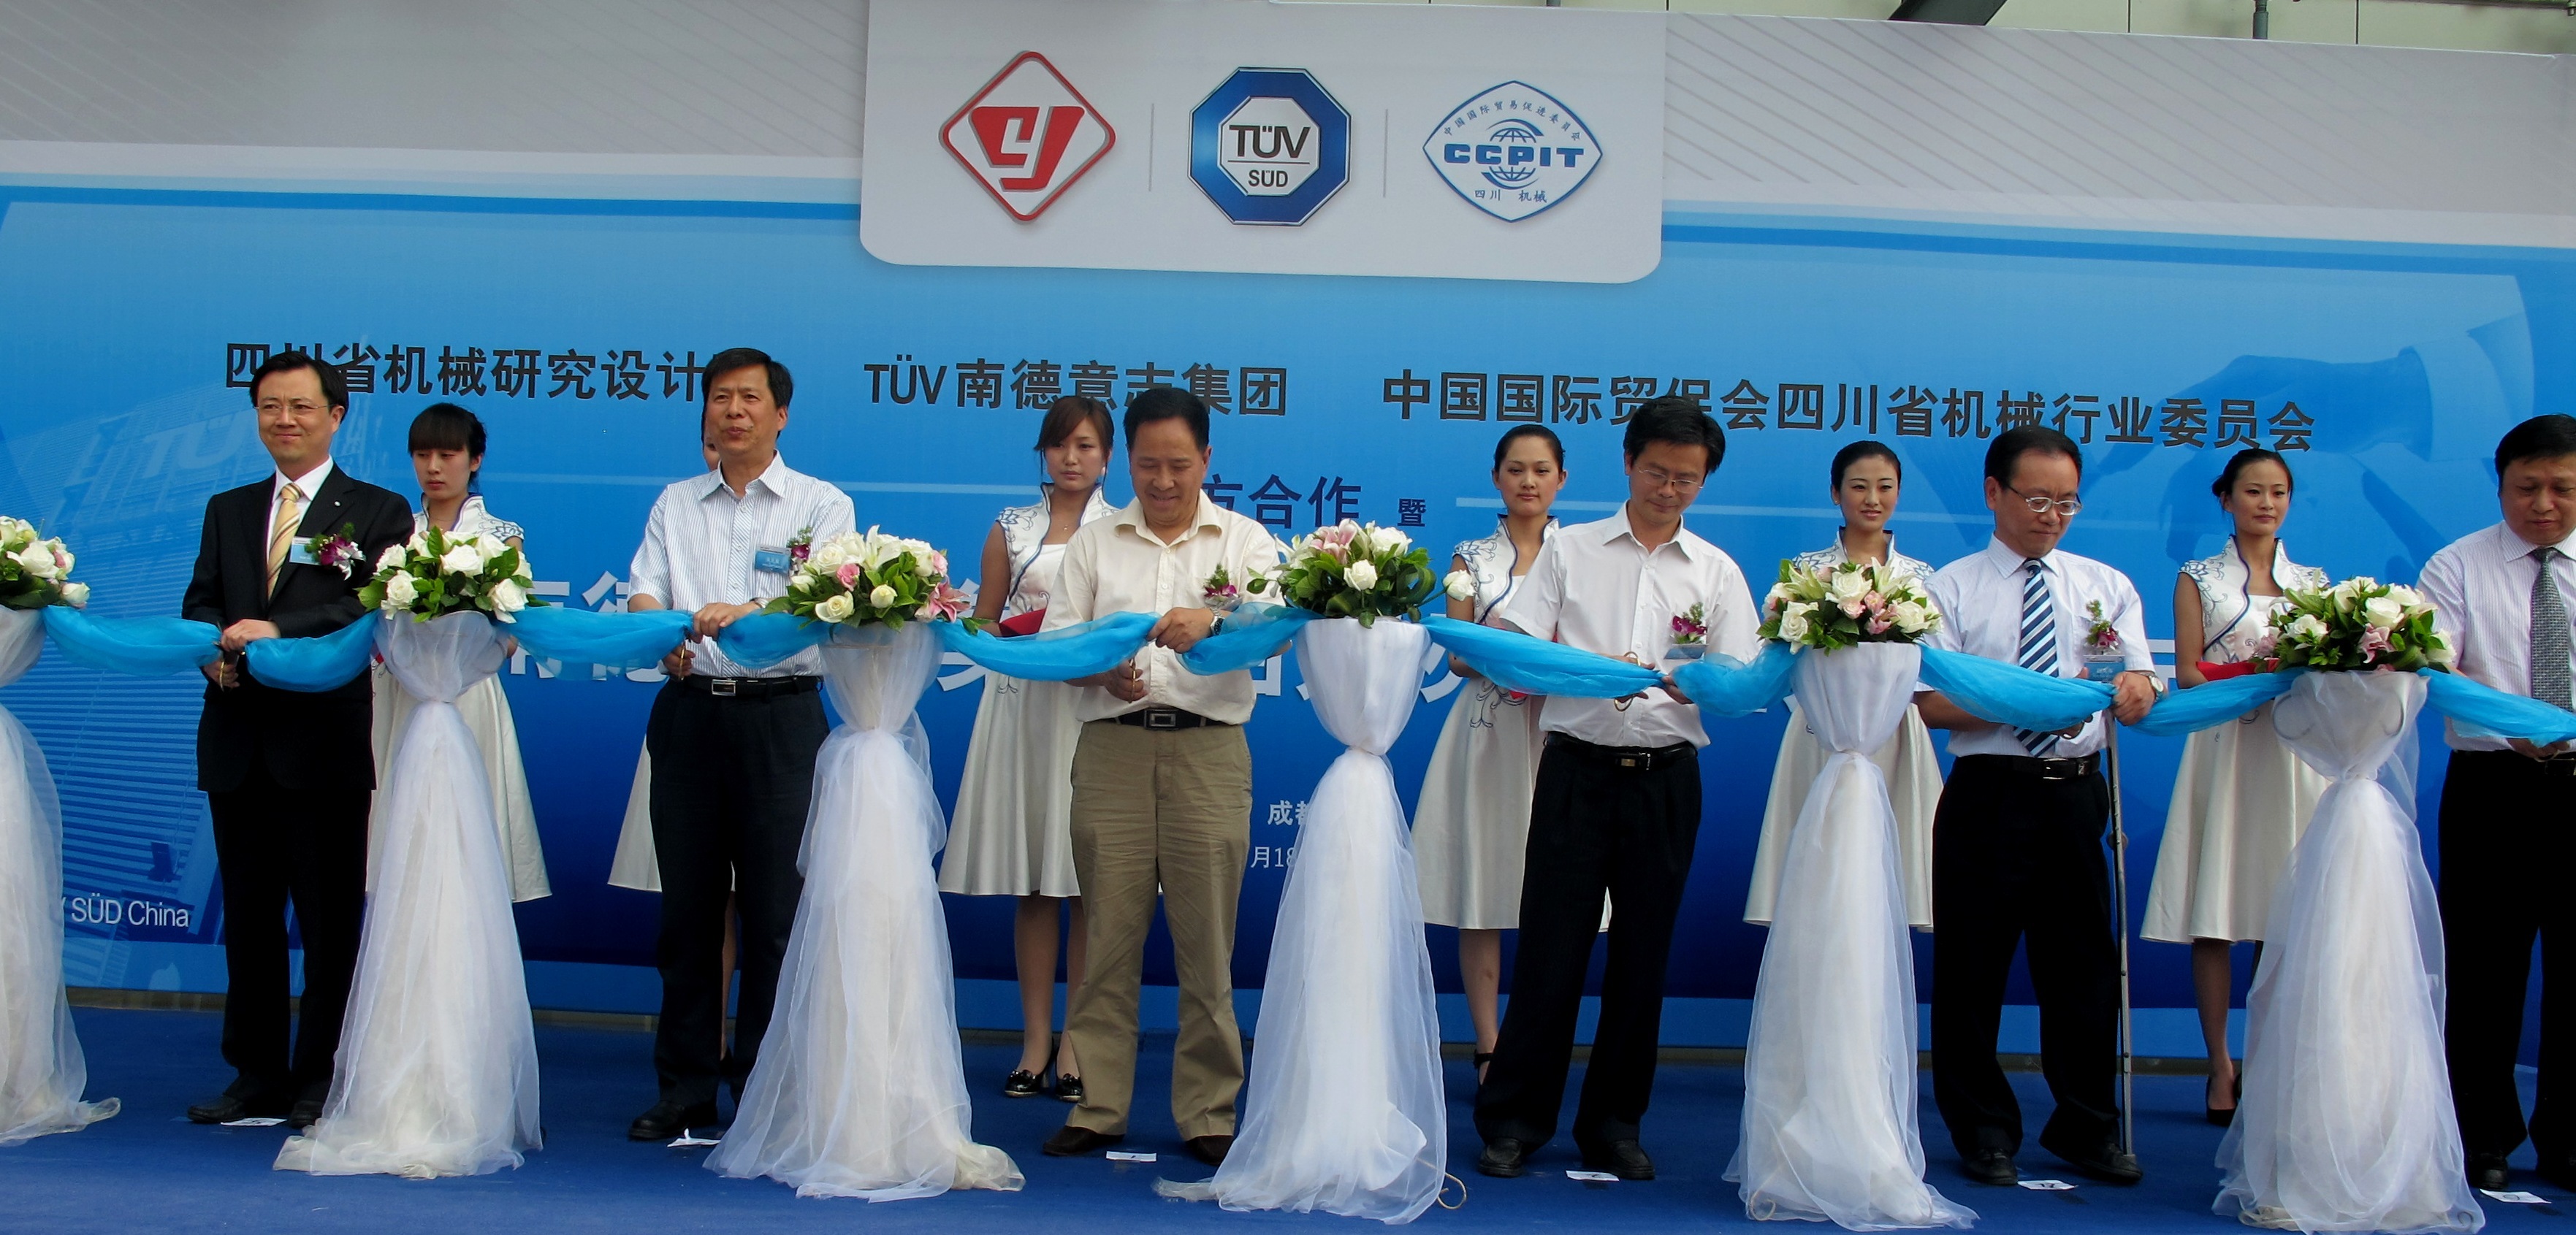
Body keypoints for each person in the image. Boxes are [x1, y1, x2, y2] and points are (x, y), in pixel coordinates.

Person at [1473, 397, 1758, 1182]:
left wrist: (1700, 681)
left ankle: (1614, 1125)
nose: (1669, 489)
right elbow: (1520, 645)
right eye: (1657, 472)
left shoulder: (1716, 571)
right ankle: (1514, 1121)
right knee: (1551, 952)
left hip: (1666, 779)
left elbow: (1740, 680)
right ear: (1628, 463)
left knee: (1641, 959)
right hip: (1577, 770)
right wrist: (1582, 670)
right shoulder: (1570, 550)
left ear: (1704, 480)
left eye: (1687, 479)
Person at [1037, 386, 1281, 1168]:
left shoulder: (1245, 541)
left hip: (1209, 753)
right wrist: (1100, 670)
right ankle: (1100, 1104)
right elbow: (1058, 645)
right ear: (1127, 462)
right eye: (1148, 464)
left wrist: (1216, 620)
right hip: (1112, 751)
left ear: (1206, 459)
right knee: (1107, 940)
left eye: (1179, 464)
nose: (1164, 480)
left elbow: (1278, 629)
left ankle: (1208, 1110)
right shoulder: (1095, 542)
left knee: (1207, 946)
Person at [1914, 425, 2160, 1187]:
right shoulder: (1948, 587)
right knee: (1972, 970)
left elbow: (2141, 682)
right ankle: (1983, 1128)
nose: (2052, 515)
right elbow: (1929, 702)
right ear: (1994, 492)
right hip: (1989, 792)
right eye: (2036, 498)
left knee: (2083, 969)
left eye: (2067, 501)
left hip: (2075, 793)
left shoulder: (2104, 583)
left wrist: (2136, 689)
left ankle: (2088, 1126)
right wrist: (2031, 699)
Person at [623, 348, 854, 1142]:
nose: (733, 410)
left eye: (750, 398)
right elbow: (645, 588)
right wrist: (660, 631)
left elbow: (823, 602)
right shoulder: (675, 502)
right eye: (721, 397)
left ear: (780, 414)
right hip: (689, 716)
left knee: (775, 915)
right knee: (687, 915)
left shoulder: (822, 505)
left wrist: (748, 611)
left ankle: (764, 1090)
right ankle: (685, 1088)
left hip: (780, 721)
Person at [180, 351, 414, 1128]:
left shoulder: (377, 510)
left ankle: (321, 1074)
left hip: (322, 746)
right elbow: (201, 601)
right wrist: (210, 650)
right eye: (270, 407)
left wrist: (278, 629)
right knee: (248, 922)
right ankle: (255, 1074)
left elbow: (367, 608)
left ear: (336, 416)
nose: (285, 420)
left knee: (328, 923)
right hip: (238, 739)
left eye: (302, 407)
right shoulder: (228, 507)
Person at [2141, 448, 2327, 1127]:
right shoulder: (2199, 576)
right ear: (2226, 498)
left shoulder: (2314, 583)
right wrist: (2256, 679)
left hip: (2291, 754)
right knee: (2217, 915)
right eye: (2253, 491)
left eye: (2279, 492)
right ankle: (2220, 1064)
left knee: (2288, 916)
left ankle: (2273, 1062)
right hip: (2225, 748)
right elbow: (2190, 670)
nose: (2266, 503)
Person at [942, 395, 1120, 1101]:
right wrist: (996, 632)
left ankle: (1078, 1042)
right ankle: (1035, 1041)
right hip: (1021, 708)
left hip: (1089, 707)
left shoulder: (1124, 529)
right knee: (1036, 883)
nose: (1071, 458)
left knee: (1085, 881)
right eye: (1059, 444)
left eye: (1086, 445)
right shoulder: (1010, 527)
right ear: (1044, 452)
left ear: (1108, 457)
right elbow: (984, 620)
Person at [2421, 413, 2576, 1193]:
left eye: (2562, 488)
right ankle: (2481, 1134)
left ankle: (2569, 1140)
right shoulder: (2457, 564)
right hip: (2494, 785)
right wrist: (2513, 725)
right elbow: (2433, 668)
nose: (2542, 504)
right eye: (2526, 487)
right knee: (2484, 969)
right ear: (2500, 486)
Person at [1413, 424, 1566, 1082]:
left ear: (1561, 479)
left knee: (1553, 896)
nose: (1528, 481)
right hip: (1486, 733)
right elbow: (1457, 653)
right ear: (1497, 478)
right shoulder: (1470, 556)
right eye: (1516, 469)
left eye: (1541, 470)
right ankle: (1487, 1043)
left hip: (1559, 731)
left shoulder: (1580, 552)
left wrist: (1546, 661)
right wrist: (1513, 651)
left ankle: (1535, 1044)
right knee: (1482, 887)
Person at [1746, 440, 1941, 933]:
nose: (1872, 499)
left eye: (1885, 487)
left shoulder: (1920, 577)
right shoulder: (1806, 571)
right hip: (1820, 732)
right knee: (1820, 873)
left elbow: (1934, 663)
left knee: (1886, 872)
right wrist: (1820, 711)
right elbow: (1779, 654)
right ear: (1836, 492)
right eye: (1858, 487)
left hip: (1896, 733)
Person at [368, 402, 548, 906]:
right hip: (400, 693)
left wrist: (463, 658)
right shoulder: (393, 532)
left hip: (468, 693)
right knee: (400, 829)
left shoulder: (500, 536)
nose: (433, 467)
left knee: (468, 830)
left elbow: (511, 629)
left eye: (447, 455)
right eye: (422, 455)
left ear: (475, 460)